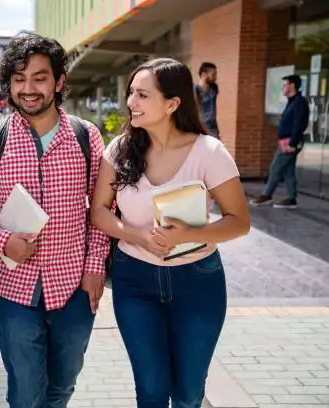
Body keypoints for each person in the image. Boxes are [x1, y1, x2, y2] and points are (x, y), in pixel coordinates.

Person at [90, 58, 250, 408]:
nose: (131, 102)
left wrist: (188, 234)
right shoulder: (118, 150)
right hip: (135, 282)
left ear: (172, 103)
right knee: (150, 389)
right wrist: (136, 235)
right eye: (131, 92)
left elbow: (239, 221)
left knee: (189, 392)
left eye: (142, 95)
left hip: (198, 282)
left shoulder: (209, 152)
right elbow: (98, 211)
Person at [0, 32, 110, 408]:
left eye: (39, 77)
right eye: (18, 78)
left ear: (58, 82)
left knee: (61, 388)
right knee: (26, 394)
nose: (28, 88)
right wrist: (1, 240)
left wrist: (95, 267)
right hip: (15, 290)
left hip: (75, 288)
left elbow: (101, 208)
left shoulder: (86, 137)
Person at [249, 74, 309, 209]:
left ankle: (267, 195)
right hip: (285, 141)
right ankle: (291, 198)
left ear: (292, 85)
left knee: (275, 168)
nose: (282, 88)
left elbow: (299, 124)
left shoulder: (299, 102)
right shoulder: (292, 101)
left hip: (290, 142)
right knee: (288, 171)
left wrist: (292, 144)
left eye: (284, 85)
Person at [194, 62, 220, 139]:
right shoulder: (195, 90)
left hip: (213, 127)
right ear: (204, 74)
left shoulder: (214, 88)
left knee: (216, 149)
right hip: (200, 128)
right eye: (213, 74)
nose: (215, 77)